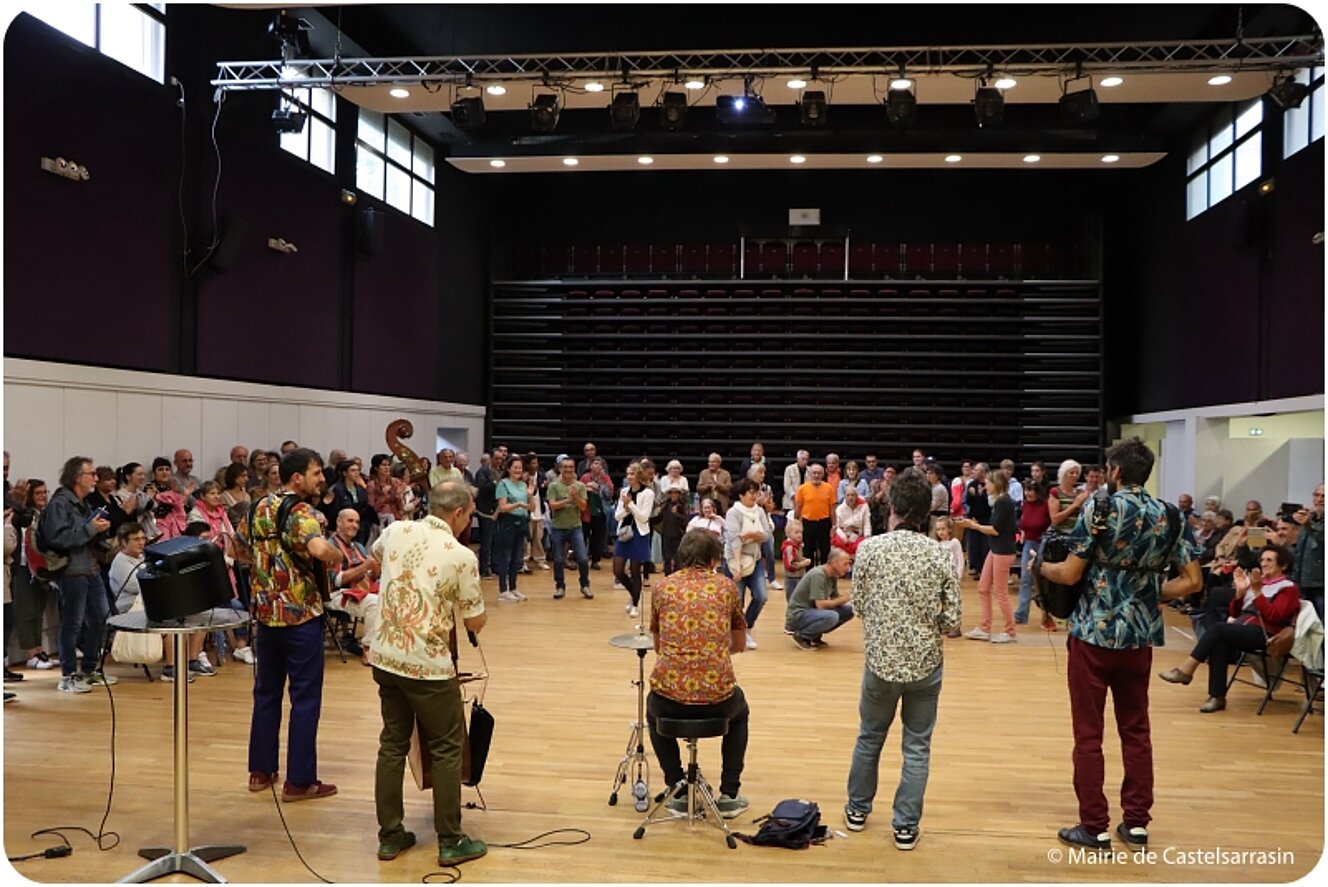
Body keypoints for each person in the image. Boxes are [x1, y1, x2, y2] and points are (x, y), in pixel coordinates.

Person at [1038, 438, 1202, 851]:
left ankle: (1093, 826)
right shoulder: (1169, 514)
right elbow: (1193, 581)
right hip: (1141, 638)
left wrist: (1040, 568)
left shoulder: (1103, 507)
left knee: (1089, 734)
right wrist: (1146, 593)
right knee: (1136, 730)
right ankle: (1137, 823)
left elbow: (1072, 573)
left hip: (1093, 635)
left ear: (1114, 472)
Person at [370, 480, 488, 866]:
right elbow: (475, 622)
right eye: (469, 515)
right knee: (448, 749)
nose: (469, 522)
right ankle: (451, 841)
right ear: (457, 513)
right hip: (429, 667)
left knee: (392, 745)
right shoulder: (460, 555)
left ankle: (390, 836)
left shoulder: (395, 530)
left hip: (386, 657)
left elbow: (376, 557)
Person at [844, 467, 962, 850]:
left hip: (880, 664)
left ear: (891, 506)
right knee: (917, 747)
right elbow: (952, 620)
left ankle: (858, 810)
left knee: (870, 737)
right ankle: (906, 826)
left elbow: (858, 606)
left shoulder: (870, 550)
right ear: (927, 512)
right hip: (926, 666)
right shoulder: (939, 554)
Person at [240, 448, 344, 801]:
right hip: (300, 616)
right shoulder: (302, 513)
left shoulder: (256, 507)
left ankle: (261, 770)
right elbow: (317, 549)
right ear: (296, 478)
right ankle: (299, 781)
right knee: (305, 698)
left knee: (266, 694)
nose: (322, 479)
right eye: (316, 473)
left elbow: (240, 550)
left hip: (266, 616)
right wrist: (337, 553)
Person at [647, 529, 749, 818]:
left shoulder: (662, 587)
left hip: (670, 699)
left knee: (653, 710)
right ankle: (729, 794)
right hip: (717, 698)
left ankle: (677, 789)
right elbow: (739, 644)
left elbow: (658, 646)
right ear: (714, 558)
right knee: (739, 712)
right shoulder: (727, 587)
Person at [1158, 544, 1301, 712]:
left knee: (1219, 630)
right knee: (1220, 641)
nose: (1263, 563)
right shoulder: (1259, 583)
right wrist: (1240, 594)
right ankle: (1217, 697)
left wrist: (1257, 593)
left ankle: (1186, 669)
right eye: (1262, 560)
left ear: (1283, 565)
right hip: (1245, 627)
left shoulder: (1288, 588)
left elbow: (1274, 617)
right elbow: (1234, 612)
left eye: (1269, 560)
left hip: (1267, 634)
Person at [45, 456, 114, 693]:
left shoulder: (82, 502)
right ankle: (67, 675)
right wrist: (89, 529)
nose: (95, 478)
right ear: (77, 477)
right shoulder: (60, 503)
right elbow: (58, 538)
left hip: (91, 567)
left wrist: (98, 531)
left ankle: (89, 668)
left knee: (101, 616)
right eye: (91, 474)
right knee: (72, 623)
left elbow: (81, 533)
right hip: (73, 570)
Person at [956, 468, 1018, 643]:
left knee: (1000, 593)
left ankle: (1010, 631)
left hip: (1003, 551)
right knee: (983, 587)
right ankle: (984, 627)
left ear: (996, 484)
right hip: (996, 549)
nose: (985, 485)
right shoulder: (999, 502)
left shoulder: (1003, 502)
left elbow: (995, 530)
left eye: (988, 483)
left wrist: (972, 526)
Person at [328, 509, 382, 665]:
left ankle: (387, 648)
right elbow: (336, 581)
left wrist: (376, 567)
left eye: (357, 522)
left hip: (359, 590)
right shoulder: (330, 546)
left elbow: (370, 576)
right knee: (374, 603)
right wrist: (365, 567)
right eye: (350, 521)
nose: (355, 525)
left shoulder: (358, 546)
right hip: (337, 594)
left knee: (393, 595)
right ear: (339, 522)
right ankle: (368, 650)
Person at [725, 478, 772, 650]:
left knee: (761, 596)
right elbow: (734, 539)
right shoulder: (733, 513)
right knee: (737, 601)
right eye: (750, 492)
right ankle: (735, 634)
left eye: (756, 492)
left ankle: (747, 627)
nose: (754, 495)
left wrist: (752, 534)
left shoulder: (759, 512)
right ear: (741, 494)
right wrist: (737, 565)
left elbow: (766, 534)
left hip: (756, 559)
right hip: (736, 561)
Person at [785, 548, 855, 649]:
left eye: (849, 564)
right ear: (833, 563)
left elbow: (835, 600)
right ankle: (802, 635)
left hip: (812, 612)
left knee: (849, 610)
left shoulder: (833, 576)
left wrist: (850, 597)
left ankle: (814, 635)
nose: (848, 568)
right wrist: (842, 600)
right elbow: (820, 604)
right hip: (798, 615)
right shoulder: (818, 574)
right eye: (845, 564)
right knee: (832, 616)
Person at [546, 457, 592, 599]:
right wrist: (567, 500)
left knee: (583, 559)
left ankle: (585, 585)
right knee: (558, 560)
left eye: (571, 467)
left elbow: (583, 506)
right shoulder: (553, 486)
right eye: (565, 467)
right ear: (560, 469)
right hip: (558, 528)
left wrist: (575, 496)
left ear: (574, 469)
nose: (568, 470)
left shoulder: (580, 486)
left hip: (575, 527)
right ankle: (560, 586)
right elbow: (552, 505)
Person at [613, 461, 654, 618]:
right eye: (628, 473)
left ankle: (635, 605)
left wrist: (631, 505)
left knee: (635, 571)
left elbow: (644, 517)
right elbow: (617, 516)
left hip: (640, 534)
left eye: (632, 474)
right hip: (624, 533)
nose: (628, 476)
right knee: (618, 570)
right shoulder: (624, 491)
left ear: (639, 476)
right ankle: (634, 593)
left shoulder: (648, 494)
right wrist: (626, 508)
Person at [492, 455, 532, 603]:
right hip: (507, 522)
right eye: (515, 467)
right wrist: (518, 505)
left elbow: (531, 507)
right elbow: (502, 507)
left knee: (517, 558)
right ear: (508, 469)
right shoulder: (503, 484)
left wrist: (530, 496)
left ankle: (514, 587)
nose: (518, 470)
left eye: (520, 468)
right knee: (505, 557)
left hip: (521, 522)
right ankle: (503, 590)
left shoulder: (523, 485)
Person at [1014, 481, 1053, 629]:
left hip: (1043, 544)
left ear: (1038, 492)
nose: (1028, 493)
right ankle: (1021, 614)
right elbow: (1023, 524)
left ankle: (1048, 614)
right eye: (1026, 490)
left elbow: (1051, 523)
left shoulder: (1045, 505)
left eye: (1031, 490)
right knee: (1025, 579)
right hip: (1029, 543)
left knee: (1044, 582)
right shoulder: (1024, 505)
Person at [1291, 483, 1324, 620]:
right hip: (1303, 582)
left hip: (1321, 584)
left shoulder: (1309, 523)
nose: (1319, 499)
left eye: (1324, 496)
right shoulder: (1310, 519)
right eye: (1316, 495)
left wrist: (1309, 525)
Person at [794, 464, 835, 567]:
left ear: (823, 474)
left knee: (825, 550)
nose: (816, 475)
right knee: (808, 551)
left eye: (819, 473)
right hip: (808, 523)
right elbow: (798, 507)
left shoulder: (829, 488)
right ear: (810, 474)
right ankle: (809, 575)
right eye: (814, 473)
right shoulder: (802, 488)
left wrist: (834, 525)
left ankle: (824, 574)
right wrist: (796, 523)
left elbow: (832, 509)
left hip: (824, 523)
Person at [580, 456, 614, 570]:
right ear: (590, 466)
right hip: (586, 511)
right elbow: (579, 490)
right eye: (595, 463)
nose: (597, 466)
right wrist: (586, 488)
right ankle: (581, 558)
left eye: (599, 464)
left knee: (598, 537)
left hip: (600, 512)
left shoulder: (605, 478)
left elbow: (609, 494)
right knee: (583, 536)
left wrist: (598, 487)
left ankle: (595, 560)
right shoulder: (585, 477)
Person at [933, 517, 965, 638]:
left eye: (943, 529)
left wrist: (958, 576)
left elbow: (960, 560)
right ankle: (946, 624)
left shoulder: (955, 543)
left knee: (954, 601)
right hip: (942, 577)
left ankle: (956, 626)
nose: (940, 532)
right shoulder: (937, 544)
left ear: (950, 530)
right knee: (943, 601)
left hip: (953, 577)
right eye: (938, 529)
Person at [832, 486, 872, 557]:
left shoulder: (864, 506)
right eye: (848, 495)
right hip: (844, 533)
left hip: (857, 534)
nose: (850, 497)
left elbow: (866, 523)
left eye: (852, 495)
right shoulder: (840, 509)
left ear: (856, 496)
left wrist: (867, 537)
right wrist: (844, 537)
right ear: (844, 496)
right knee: (838, 543)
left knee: (863, 545)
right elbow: (837, 527)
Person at [781, 518, 811, 599]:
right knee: (793, 600)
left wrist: (803, 559)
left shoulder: (799, 546)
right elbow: (790, 565)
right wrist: (803, 564)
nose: (799, 535)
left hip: (800, 577)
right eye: (796, 532)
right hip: (792, 579)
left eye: (801, 532)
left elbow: (798, 558)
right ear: (788, 534)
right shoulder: (789, 548)